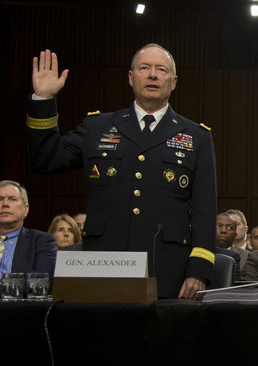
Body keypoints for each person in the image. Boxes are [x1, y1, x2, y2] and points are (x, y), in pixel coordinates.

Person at [26, 45, 217, 299]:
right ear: (130, 77)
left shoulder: (196, 136)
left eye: (161, 69)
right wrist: (44, 100)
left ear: (174, 82)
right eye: (144, 68)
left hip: (167, 269)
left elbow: (204, 211)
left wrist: (199, 271)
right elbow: (46, 159)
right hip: (104, 264)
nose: (152, 75)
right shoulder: (98, 126)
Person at [0, 181, 57, 299]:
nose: (5, 204)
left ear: (25, 209)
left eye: (12, 199)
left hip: (17, 309)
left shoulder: (41, 241)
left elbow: (41, 282)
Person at [216, 212, 249, 279]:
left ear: (235, 235)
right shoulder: (198, 252)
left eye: (229, 227)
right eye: (218, 226)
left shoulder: (248, 257)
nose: (223, 230)